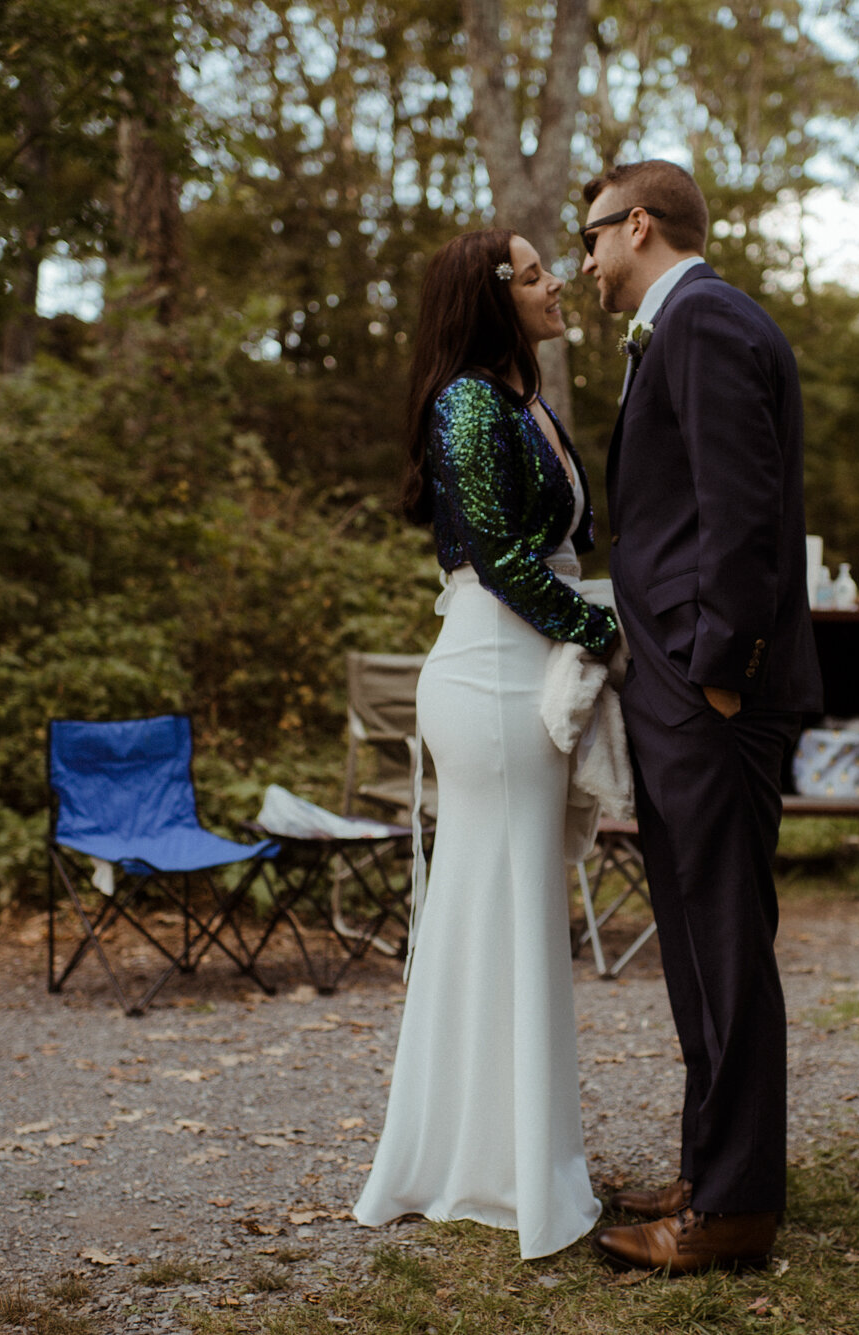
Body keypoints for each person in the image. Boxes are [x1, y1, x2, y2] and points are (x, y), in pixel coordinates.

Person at [352, 227, 616, 1260]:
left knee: (503, 913)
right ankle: (500, 1169)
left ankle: (493, 1155)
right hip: (490, 673)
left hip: (517, 666)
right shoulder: (465, 400)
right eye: (536, 273)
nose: (556, 284)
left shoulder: (524, 400)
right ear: (492, 295)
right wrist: (602, 630)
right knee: (496, 909)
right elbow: (504, 557)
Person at [579, 161, 823, 1273]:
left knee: (723, 945)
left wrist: (716, 670)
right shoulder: (677, 330)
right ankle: (707, 1172)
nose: (583, 263)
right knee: (691, 943)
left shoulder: (706, 322)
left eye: (589, 239)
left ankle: (731, 1214)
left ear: (638, 225)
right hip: (681, 689)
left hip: (708, 692)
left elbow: (741, 513)